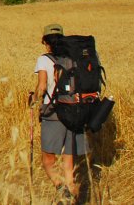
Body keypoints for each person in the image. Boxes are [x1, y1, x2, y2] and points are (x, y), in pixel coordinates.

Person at [33, 23, 87, 203]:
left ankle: (60, 186)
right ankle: (72, 191)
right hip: (74, 111)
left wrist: (33, 99)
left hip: (54, 112)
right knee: (68, 161)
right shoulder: (73, 57)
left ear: (45, 41)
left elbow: (42, 87)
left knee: (48, 160)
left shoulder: (44, 59)